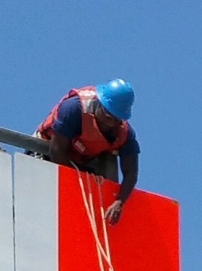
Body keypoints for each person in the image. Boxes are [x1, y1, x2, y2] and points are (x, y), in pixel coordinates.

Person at [37, 80, 139, 225]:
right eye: (107, 115)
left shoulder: (125, 134)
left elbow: (131, 173)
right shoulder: (74, 109)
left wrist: (119, 202)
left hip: (80, 163)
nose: (109, 123)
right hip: (45, 155)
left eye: (115, 120)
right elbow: (56, 151)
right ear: (98, 102)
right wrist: (76, 185)